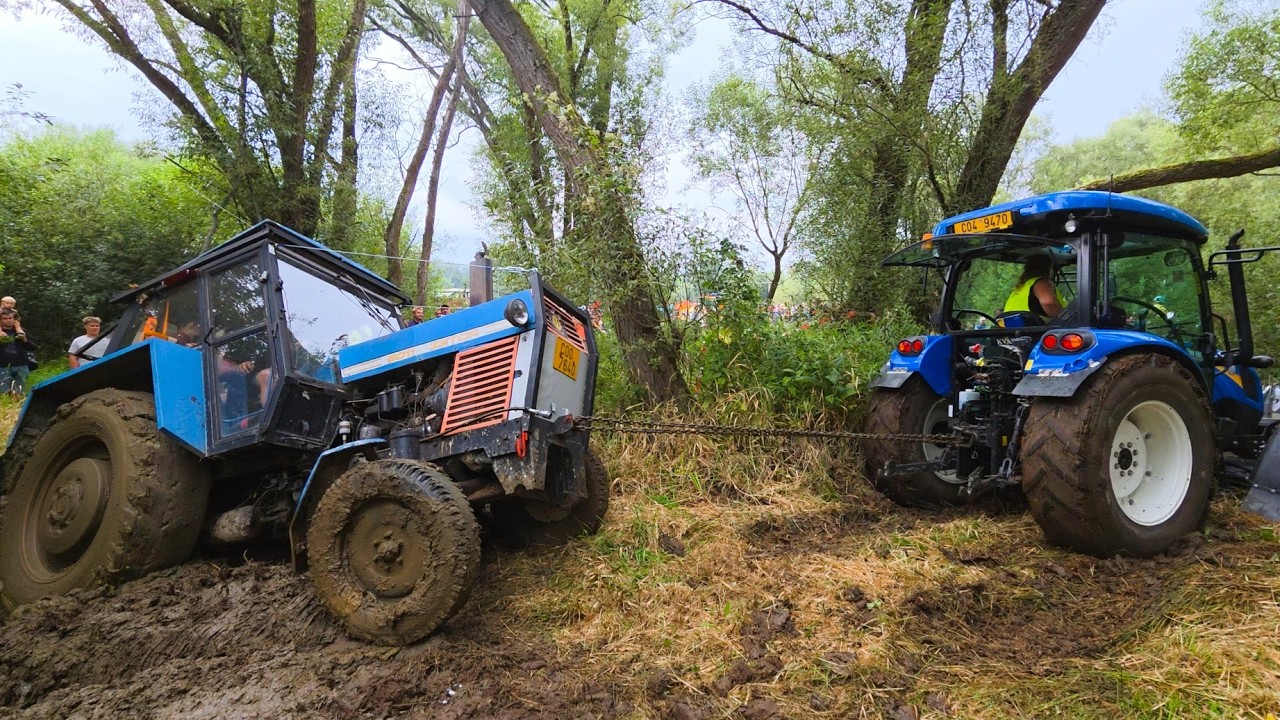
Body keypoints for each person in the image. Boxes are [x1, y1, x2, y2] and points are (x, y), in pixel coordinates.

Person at [1003, 254, 1063, 323]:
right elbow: (1048, 302)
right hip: (1036, 331)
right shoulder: (1042, 283)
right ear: (1047, 268)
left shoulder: (1021, 287)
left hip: (1015, 330)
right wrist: (1065, 318)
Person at [0, 308, 36, 398]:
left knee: (19, 391)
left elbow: (33, 347)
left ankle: (18, 408)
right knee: (5, 392)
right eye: (5, 319)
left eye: (10, 318)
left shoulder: (21, 331)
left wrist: (24, 339)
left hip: (21, 365)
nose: (8, 320)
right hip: (2, 367)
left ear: (14, 319)